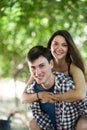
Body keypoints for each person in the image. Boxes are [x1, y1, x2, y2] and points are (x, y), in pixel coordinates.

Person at [22, 45, 87, 130]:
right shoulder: (31, 91)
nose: (37, 73)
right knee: (33, 124)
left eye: (42, 66)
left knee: (84, 124)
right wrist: (39, 96)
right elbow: (23, 99)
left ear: (51, 64)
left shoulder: (67, 85)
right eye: (33, 68)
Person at [25, 30, 86, 102]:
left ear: (68, 49)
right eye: (55, 44)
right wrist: (40, 95)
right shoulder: (43, 67)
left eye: (64, 45)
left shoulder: (73, 68)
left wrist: (53, 97)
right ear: (50, 46)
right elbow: (24, 96)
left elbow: (80, 94)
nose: (59, 48)